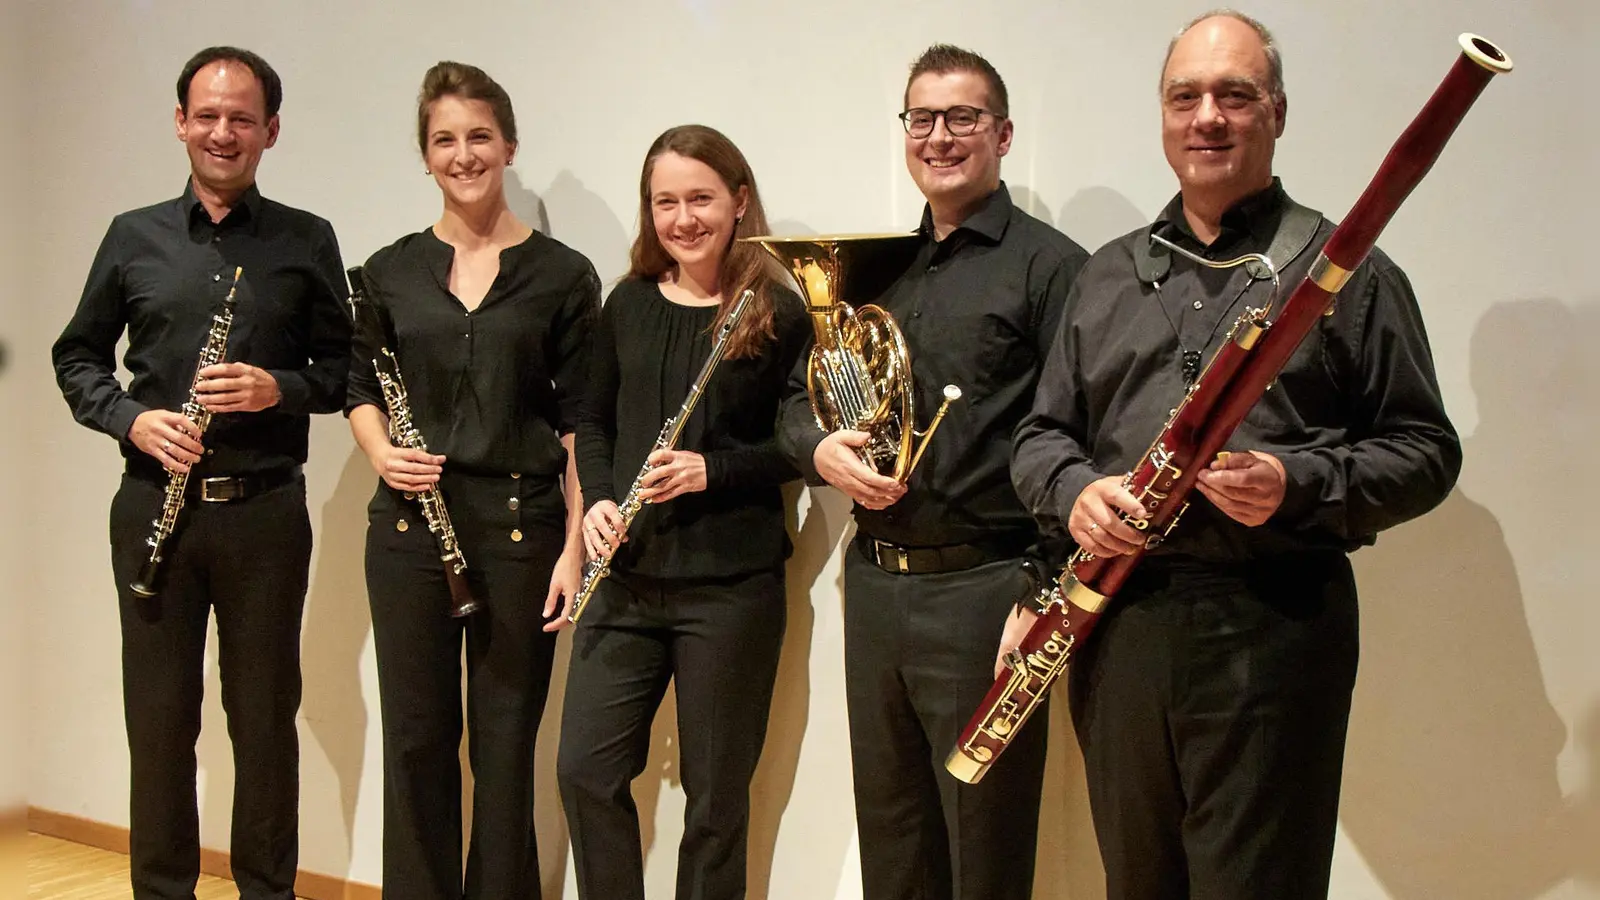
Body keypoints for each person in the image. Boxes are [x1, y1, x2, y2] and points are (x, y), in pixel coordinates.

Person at [1009, 11, 1463, 899]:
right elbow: (1040, 437)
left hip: (1276, 630)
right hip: (1120, 626)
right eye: (1186, 97)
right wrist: (1075, 493)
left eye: (1235, 95)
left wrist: (1298, 483)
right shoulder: (1103, 276)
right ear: (1164, 116)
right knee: (1139, 882)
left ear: (1278, 113)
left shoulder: (1351, 271)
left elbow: (1425, 452)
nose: (1208, 116)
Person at [776, 45, 1089, 900]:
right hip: (875, 585)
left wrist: (1044, 586)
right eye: (922, 119)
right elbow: (795, 401)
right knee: (893, 832)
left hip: (988, 588)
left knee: (983, 845)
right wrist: (820, 449)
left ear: (1004, 134)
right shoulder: (875, 263)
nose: (939, 137)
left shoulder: (1053, 267)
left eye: (963, 119)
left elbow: (1083, 436)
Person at [51, 46, 350, 900]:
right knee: (159, 726)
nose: (224, 132)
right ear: (181, 122)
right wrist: (131, 419)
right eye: (208, 115)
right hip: (154, 508)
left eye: (242, 118)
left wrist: (276, 387)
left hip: (264, 515)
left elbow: (345, 374)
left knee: (263, 728)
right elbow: (77, 357)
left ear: (271, 131)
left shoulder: (306, 240)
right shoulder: (130, 235)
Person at [345, 61, 597, 899]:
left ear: (510, 146)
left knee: (503, 746)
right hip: (409, 530)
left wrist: (573, 551)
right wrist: (382, 454)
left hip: (523, 532)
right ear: (425, 155)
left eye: (479, 136)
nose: (463, 154)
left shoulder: (563, 275)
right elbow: (360, 390)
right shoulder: (387, 271)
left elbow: (578, 424)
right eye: (444, 140)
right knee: (415, 741)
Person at [556, 124, 809, 900]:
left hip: (729, 590)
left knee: (715, 800)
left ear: (739, 200)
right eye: (664, 201)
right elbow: (592, 423)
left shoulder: (779, 311)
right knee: (585, 772)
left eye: (700, 197)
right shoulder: (626, 303)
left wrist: (711, 469)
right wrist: (598, 500)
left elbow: (802, 449)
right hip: (626, 579)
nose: (682, 218)